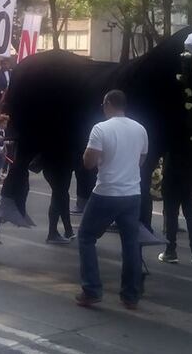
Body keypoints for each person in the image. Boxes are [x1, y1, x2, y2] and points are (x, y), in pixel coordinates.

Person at [75, 90, 147, 310]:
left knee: (86, 236)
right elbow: (141, 160)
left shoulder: (100, 128)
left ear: (107, 104)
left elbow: (88, 162)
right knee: (130, 244)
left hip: (106, 192)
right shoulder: (140, 129)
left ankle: (92, 289)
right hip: (132, 194)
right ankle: (130, 295)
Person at [158, 147, 192, 263]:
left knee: (171, 217)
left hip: (171, 179)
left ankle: (170, 251)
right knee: (191, 217)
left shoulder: (169, 138)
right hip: (189, 180)